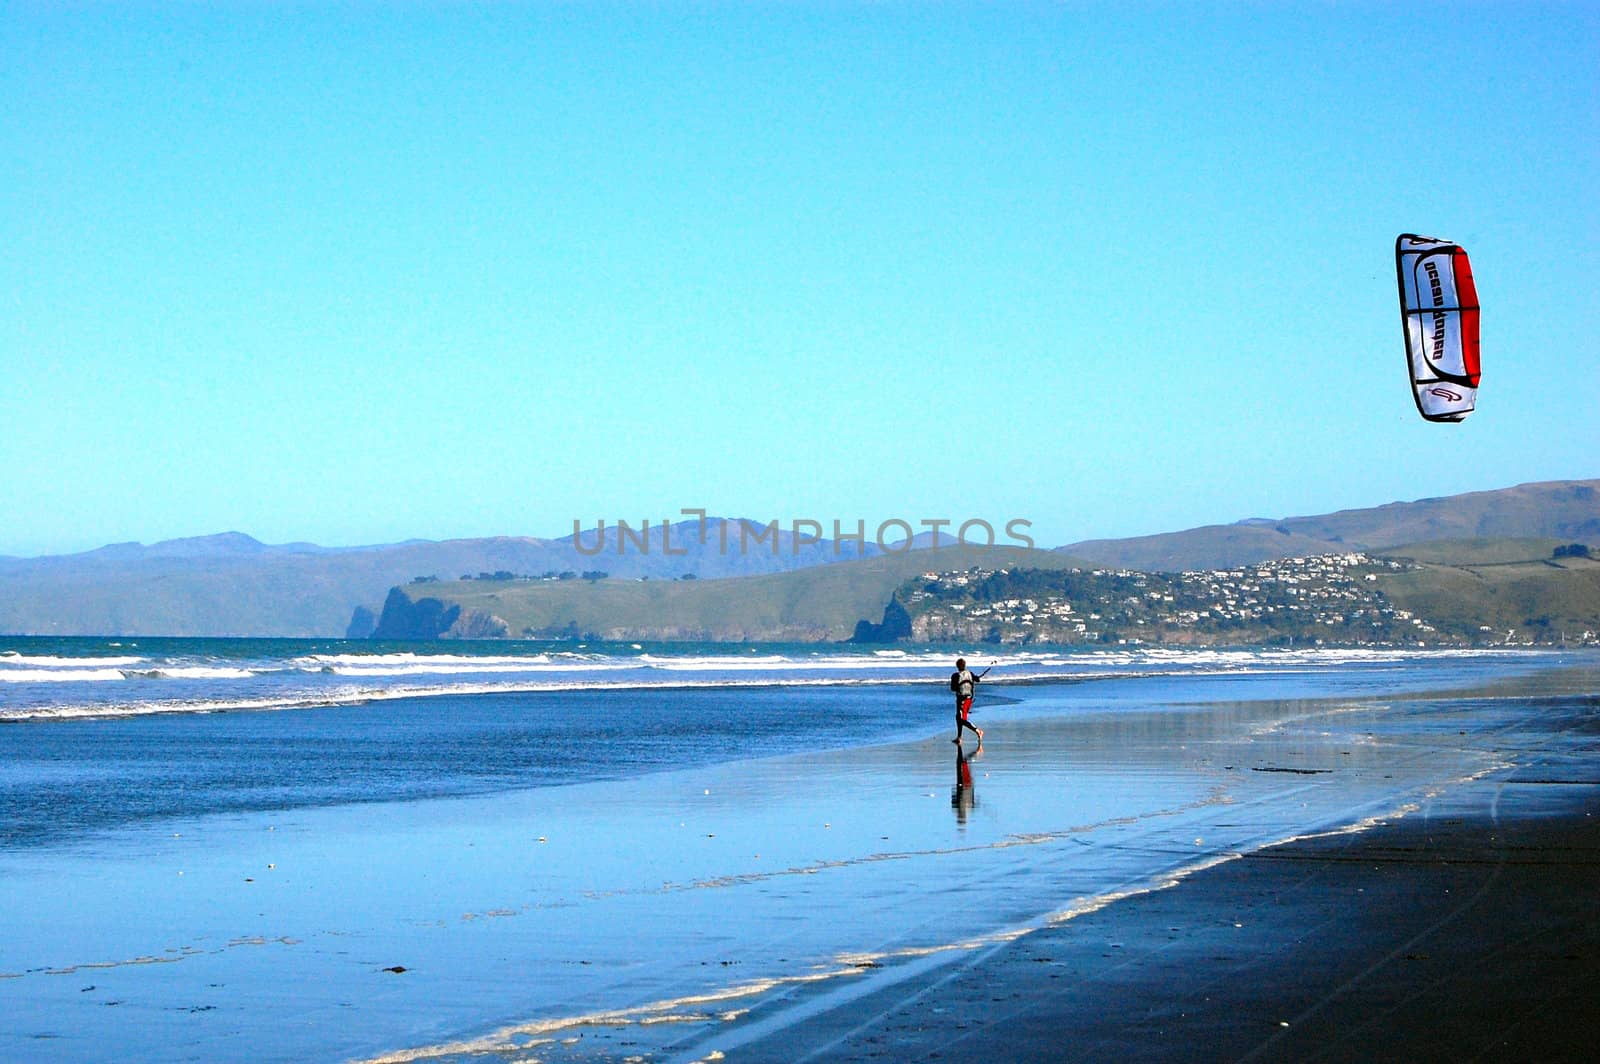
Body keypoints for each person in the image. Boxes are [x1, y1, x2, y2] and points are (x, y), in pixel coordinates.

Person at [950, 657, 983, 744]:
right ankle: (959, 737)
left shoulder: (955, 676)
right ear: (965, 666)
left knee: (961, 719)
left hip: (961, 699)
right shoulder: (970, 673)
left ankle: (977, 731)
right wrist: (976, 678)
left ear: (957, 666)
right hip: (969, 699)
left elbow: (953, 688)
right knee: (959, 718)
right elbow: (978, 680)